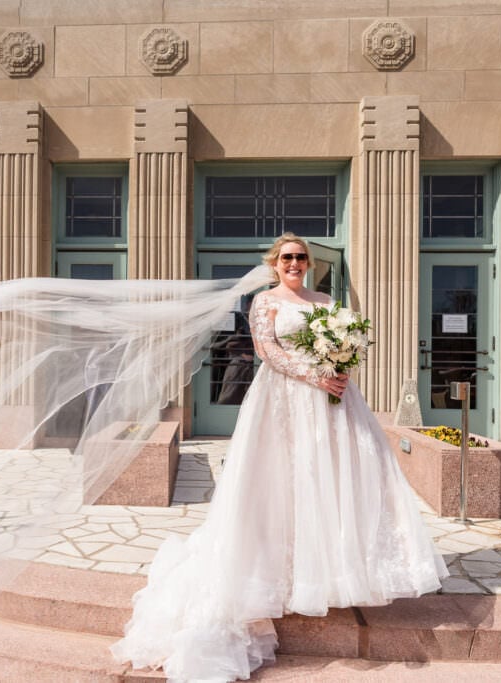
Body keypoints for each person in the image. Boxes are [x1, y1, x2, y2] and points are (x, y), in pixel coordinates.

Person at [111, 233, 449, 681]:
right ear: (275, 263)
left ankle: (333, 572)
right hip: (284, 403)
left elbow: (343, 346)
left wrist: (341, 367)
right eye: (287, 257)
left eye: (300, 257)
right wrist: (316, 375)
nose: (294, 262)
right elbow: (266, 351)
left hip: (333, 403)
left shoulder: (327, 300)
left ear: (309, 263)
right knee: (284, 481)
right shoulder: (265, 302)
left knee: (335, 478)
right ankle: (281, 574)